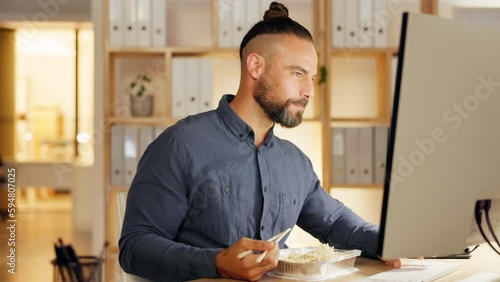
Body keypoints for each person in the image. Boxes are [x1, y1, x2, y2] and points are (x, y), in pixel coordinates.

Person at [119, 2, 400, 281]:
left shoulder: (295, 161)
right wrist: (216, 263)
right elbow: (135, 246)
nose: (309, 91)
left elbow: (336, 223)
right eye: (297, 73)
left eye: (312, 78)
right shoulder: (180, 145)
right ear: (255, 66)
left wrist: (388, 241)